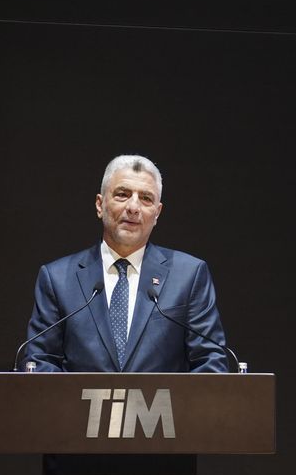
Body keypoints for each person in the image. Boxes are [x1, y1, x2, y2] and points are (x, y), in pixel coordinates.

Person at [22, 154, 229, 373]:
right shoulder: (58, 279)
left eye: (146, 198)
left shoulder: (188, 275)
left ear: (157, 213)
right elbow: (38, 363)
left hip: (163, 398)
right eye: (122, 194)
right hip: (80, 398)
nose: (133, 207)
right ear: (100, 205)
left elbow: (210, 364)